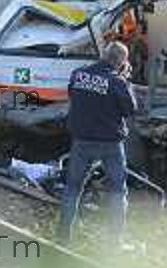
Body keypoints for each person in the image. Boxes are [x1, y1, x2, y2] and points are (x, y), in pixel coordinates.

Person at [58, 41, 138, 244]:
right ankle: (115, 242)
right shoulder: (117, 82)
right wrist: (125, 81)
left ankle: (63, 237)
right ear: (121, 62)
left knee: (73, 188)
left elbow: (73, 95)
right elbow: (131, 110)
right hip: (110, 144)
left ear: (104, 55)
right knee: (118, 191)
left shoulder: (78, 74)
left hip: (82, 141)